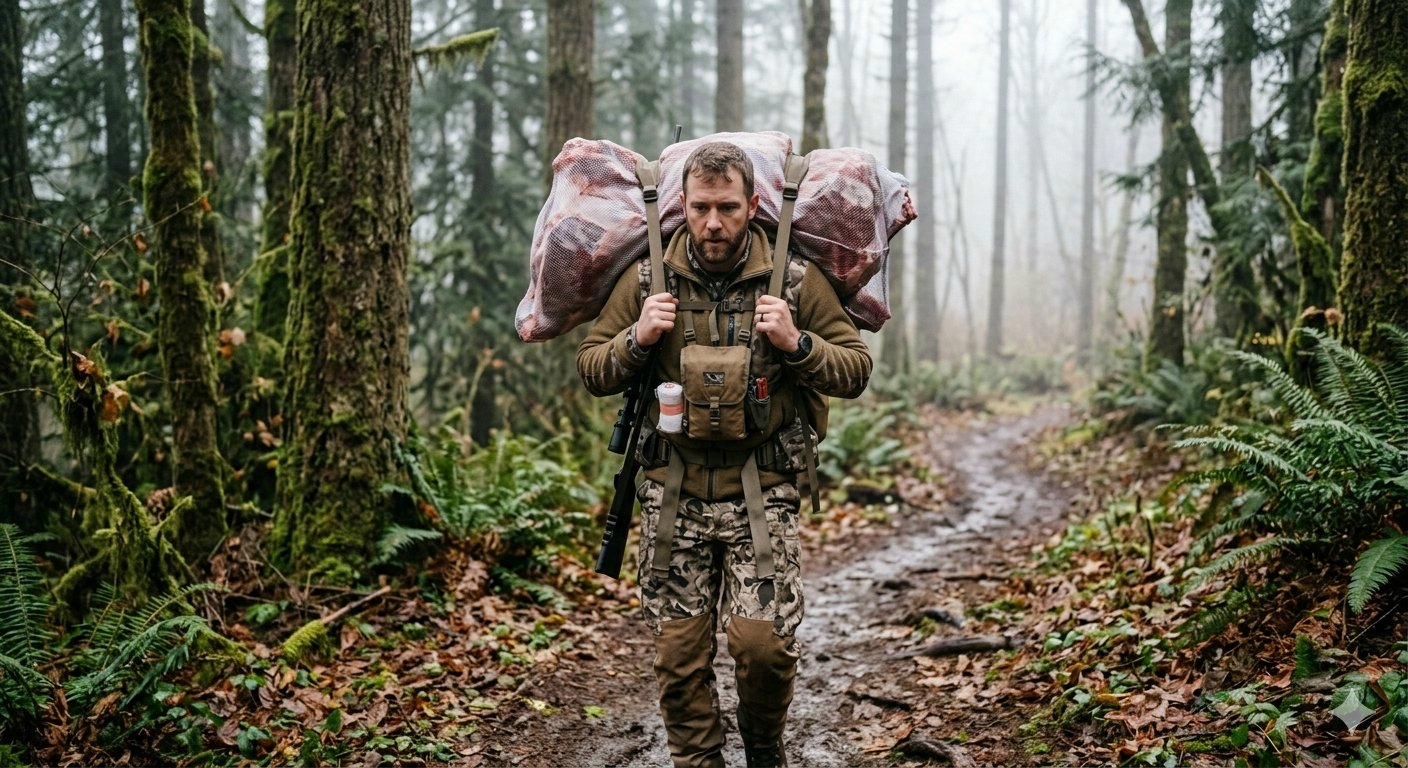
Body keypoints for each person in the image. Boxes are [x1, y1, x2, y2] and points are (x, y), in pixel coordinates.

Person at [576, 141, 872, 768]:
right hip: (670, 494)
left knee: (762, 648)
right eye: (701, 207)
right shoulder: (647, 280)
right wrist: (636, 338)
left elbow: (855, 370)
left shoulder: (793, 280)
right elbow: (592, 367)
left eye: (729, 208)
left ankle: (764, 751)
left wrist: (798, 344)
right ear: (681, 205)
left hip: (762, 491)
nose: (713, 223)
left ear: (753, 205)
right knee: (679, 658)